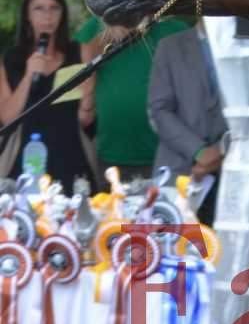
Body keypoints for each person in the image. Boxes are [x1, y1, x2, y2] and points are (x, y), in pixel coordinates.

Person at [0, 0, 98, 188]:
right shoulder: (10, 60)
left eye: (54, 8)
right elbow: (7, 118)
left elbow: (84, 121)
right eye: (39, 8)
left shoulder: (79, 53)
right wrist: (28, 76)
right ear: (27, 15)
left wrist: (88, 98)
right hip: (26, 165)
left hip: (71, 161)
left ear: (62, 13)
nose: (47, 16)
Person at [77, 13, 189, 182]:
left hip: (167, 157)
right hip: (112, 156)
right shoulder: (97, 25)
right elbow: (83, 65)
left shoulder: (176, 29)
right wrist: (109, 31)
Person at [146, 21, 228, 225]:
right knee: (174, 251)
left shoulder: (248, 46)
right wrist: (199, 151)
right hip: (178, 172)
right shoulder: (170, 47)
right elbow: (159, 110)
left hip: (231, 173)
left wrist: (222, 150)